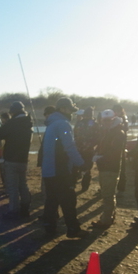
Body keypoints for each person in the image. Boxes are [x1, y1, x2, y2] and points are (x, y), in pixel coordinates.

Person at [41, 97, 89, 238]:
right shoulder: (63, 124)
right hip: (60, 169)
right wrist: (81, 163)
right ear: (62, 109)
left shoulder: (52, 123)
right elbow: (69, 147)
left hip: (49, 169)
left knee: (52, 200)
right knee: (68, 200)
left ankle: (49, 227)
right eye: (70, 110)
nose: (72, 113)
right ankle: (73, 229)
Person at [91, 109, 126, 229]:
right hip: (106, 167)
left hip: (110, 167)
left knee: (108, 195)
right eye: (103, 120)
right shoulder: (108, 132)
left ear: (113, 120)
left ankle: (106, 220)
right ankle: (109, 217)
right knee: (107, 193)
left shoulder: (117, 133)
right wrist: (97, 152)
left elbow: (114, 153)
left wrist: (100, 157)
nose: (105, 123)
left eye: (108, 120)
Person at [0, 101, 33, 219]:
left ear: (13, 112)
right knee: (23, 184)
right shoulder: (28, 122)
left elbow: (0, 134)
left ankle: (13, 211)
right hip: (23, 159)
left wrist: (6, 124)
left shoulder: (13, 123)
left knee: (12, 187)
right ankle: (25, 208)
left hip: (11, 159)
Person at [73, 106, 99, 192]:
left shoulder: (79, 123)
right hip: (88, 150)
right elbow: (97, 138)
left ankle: (74, 183)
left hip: (79, 149)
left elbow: (75, 135)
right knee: (87, 168)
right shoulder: (95, 124)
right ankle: (84, 186)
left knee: (77, 167)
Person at [112, 104, 129, 193]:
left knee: (121, 168)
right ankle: (112, 187)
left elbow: (125, 129)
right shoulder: (114, 119)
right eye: (114, 111)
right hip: (113, 145)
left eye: (117, 111)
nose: (115, 113)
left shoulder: (123, 119)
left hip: (120, 146)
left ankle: (121, 188)